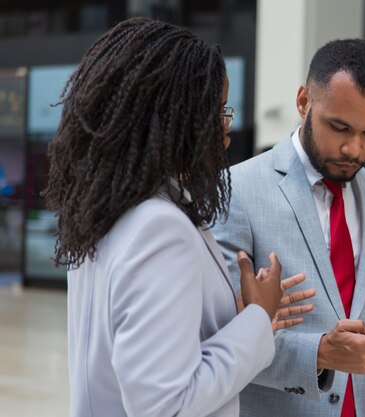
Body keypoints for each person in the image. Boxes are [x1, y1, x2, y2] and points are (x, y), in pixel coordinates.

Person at [43, 17, 314, 417]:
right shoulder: (158, 228)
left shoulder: (105, 214)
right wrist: (258, 317)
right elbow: (166, 405)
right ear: (174, 119)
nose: (226, 129)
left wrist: (237, 320)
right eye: (217, 110)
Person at [211, 39, 365, 417]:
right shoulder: (235, 190)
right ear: (304, 101)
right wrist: (318, 353)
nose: (354, 149)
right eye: (340, 127)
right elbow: (219, 335)